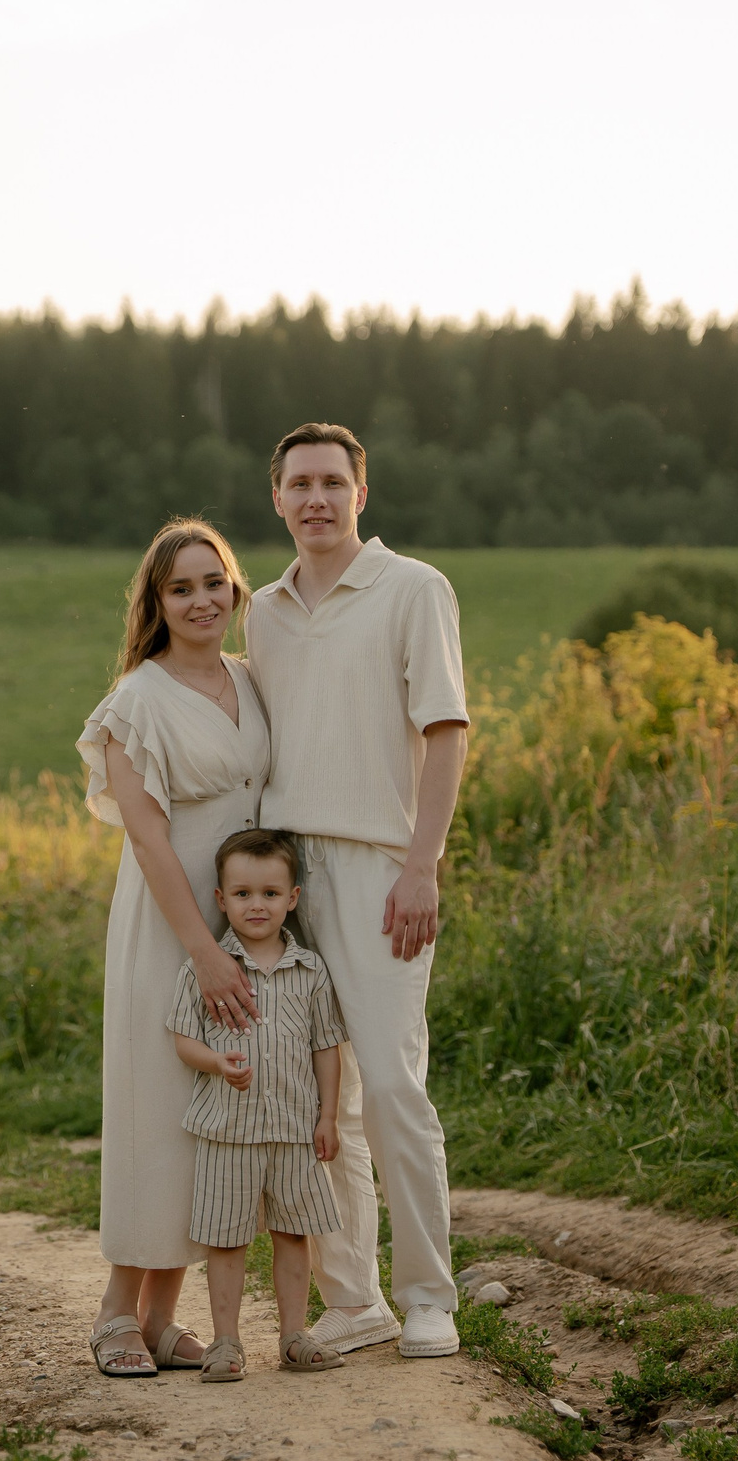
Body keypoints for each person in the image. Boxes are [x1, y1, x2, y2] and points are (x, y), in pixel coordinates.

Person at [245, 421, 471, 1360]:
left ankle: (428, 1296)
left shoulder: (413, 589)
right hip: (294, 871)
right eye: (299, 484)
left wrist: (423, 863)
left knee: (387, 1084)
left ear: (361, 495)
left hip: (384, 867)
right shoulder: (262, 609)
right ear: (278, 498)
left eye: (333, 483)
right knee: (313, 1099)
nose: (316, 500)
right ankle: (354, 1298)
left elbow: (449, 730)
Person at [75, 518, 271, 1377]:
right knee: (158, 1106)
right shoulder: (135, 702)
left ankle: (163, 1319)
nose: (201, 599)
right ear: (156, 603)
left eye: (213, 581)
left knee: (212, 1123)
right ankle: (117, 1310)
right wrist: (202, 950)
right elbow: (152, 843)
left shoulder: (250, 680)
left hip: (243, 922)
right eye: (180, 587)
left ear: (235, 588)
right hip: (169, 929)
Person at [166, 829, 350, 1383]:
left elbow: (326, 1046)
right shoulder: (207, 968)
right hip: (228, 1131)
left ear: (292, 897)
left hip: (294, 1130)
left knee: (294, 1233)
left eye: (270, 894)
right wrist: (218, 1063)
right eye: (242, 893)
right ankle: (225, 1342)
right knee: (227, 1237)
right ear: (221, 899)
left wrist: (327, 1116)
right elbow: (182, 1041)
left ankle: (294, 1335)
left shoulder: (311, 972)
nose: (256, 905)